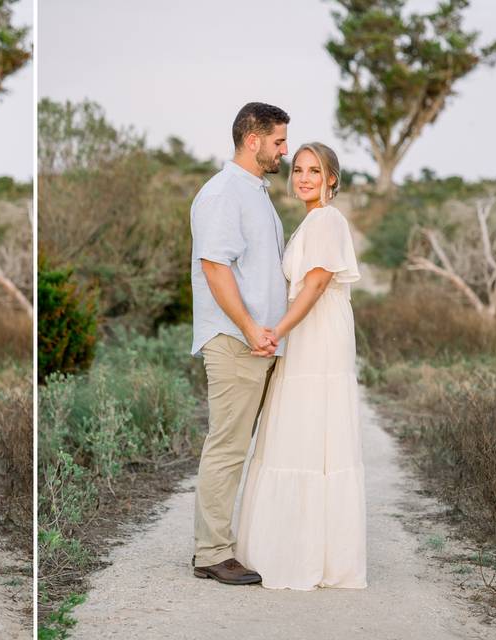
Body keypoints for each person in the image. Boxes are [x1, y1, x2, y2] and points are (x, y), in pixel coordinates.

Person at [235, 142, 366, 590]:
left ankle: (313, 558)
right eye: (298, 170)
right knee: (295, 433)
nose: (304, 178)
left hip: (319, 336)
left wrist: (277, 331)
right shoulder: (310, 221)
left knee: (313, 432)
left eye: (315, 170)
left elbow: (315, 284)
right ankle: (289, 547)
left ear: (332, 178)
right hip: (303, 333)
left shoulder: (328, 219)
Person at [189, 102, 289, 586]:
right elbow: (214, 266)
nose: (283, 151)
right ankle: (211, 552)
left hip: (261, 343)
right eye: (278, 141)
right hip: (236, 341)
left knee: (247, 446)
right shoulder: (225, 192)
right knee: (227, 447)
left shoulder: (255, 192)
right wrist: (250, 327)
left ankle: (239, 541)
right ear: (254, 139)